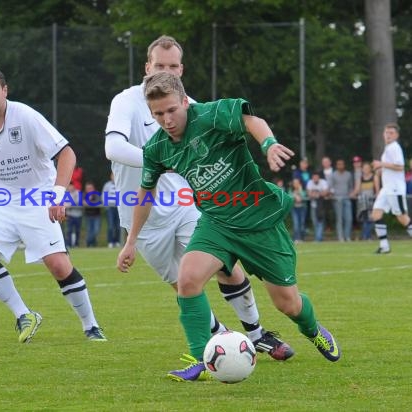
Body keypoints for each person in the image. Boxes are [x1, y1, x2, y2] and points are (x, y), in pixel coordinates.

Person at [118, 71, 341, 381]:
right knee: (188, 279)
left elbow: (252, 121)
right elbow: (145, 194)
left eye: (172, 110)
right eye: (158, 114)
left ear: (185, 102)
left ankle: (313, 329)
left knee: (288, 304)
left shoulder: (210, 115)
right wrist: (130, 241)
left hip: (259, 221)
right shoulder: (158, 149)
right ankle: (199, 358)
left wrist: (269, 145)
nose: (166, 119)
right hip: (217, 223)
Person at [106, 35, 293, 369]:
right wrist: (158, 161)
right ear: (147, 67)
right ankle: (224, 339)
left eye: (172, 66)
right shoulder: (126, 101)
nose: (165, 71)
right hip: (143, 216)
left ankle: (256, 333)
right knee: (182, 285)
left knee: (224, 266)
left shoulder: (189, 104)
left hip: (185, 204)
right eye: (158, 65)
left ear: (181, 69)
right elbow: (113, 149)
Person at [0, 67, 106, 342]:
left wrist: (57, 195)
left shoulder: (27, 117)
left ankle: (90, 325)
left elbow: (66, 153)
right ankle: (24, 315)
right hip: (2, 201)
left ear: (5, 91)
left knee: (58, 265)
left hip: (37, 197)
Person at [371, 123, 412, 253]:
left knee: (402, 217)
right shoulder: (388, 148)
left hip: (395, 188)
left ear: (396, 135)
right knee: (376, 214)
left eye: (391, 133)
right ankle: (384, 246)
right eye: (386, 132)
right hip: (386, 188)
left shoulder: (395, 147)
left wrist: (381, 163)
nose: (388, 135)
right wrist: (381, 170)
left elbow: (400, 166)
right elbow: (391, 167)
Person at [330, 159, 353, 241]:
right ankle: (341, 237)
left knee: (349, 218)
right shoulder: (333, 175)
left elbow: (350, 186)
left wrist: (351, 193)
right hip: (337, 199)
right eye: (339, 164)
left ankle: (347, 236)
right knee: (339, 219)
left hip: (347, 198)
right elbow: (331, 187)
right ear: (336, 165)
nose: (340, 166)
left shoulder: (348, 174)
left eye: (342, 164)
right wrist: (333, 194)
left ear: (344, 165)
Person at [355, 162, 378, 240]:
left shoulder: (374, 177)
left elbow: (377, 190)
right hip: (363, 202)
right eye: (364, 169)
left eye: (367, 168)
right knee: (365, 219)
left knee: (371, 219)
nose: (365, 170)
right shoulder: (360, 178)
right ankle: (366, 236)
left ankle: (366, 236)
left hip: (372, 200)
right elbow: (358, 189)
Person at [306, 171, 329, 242]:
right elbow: (309, 193)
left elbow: (326, 192)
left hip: (321, 205)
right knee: (314, 221)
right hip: (313, 205)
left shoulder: (323, 182)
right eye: (314, 178)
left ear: (319, 178)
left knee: (320, 221)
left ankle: (318, 238)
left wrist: (316, 194)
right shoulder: (310, 182)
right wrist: (319, 194)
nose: (315, 179)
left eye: (316, 177)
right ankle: (318, 237)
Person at [102, 172, 121, 248]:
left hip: (119, 208)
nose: (114, 177)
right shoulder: (107, 185)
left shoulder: (120, 184)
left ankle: (117, 241)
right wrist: (106, 205)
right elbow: (104, 195)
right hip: (110, 207)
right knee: (111, 225)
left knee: (118, 226)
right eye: (112, 175)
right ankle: (110, 241)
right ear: (111, 176)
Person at [63, 183, 83, 248]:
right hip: (70, 215)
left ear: (74, 186)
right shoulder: (66, 194)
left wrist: (69, 204)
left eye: (71, 186)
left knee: (77, 230)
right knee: (69, 230)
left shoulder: (78, 193)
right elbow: (64, 203)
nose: (70, 188)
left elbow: (77, 202)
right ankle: (68, 244)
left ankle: (76, 244)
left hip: (78, 215)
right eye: (69, 187)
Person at [289, 178, 308, 243]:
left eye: (297, 183)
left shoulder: (302, 189)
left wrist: (300, 191)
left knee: (302, 224)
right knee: (296, 224)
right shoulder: (291, 190)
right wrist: (295, 197)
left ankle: (302, 238)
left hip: (302, 208)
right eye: (294, 183)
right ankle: (296, 238)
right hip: (294, 209)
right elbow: (289, 197)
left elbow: (304, 196)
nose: (296, 184)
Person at [84, 181, 102, 247]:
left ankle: (89, 242)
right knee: (89, 231)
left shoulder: (97, 194)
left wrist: (88, 202)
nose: (89, 190)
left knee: (96, 231)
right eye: (87, 188)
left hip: (96, 216)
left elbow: (97, 202)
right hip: (88, 216)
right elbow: (83, 203)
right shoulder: (84, 195)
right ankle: (90, 244)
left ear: (93, 188)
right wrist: (90, 202)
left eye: (90, 188)